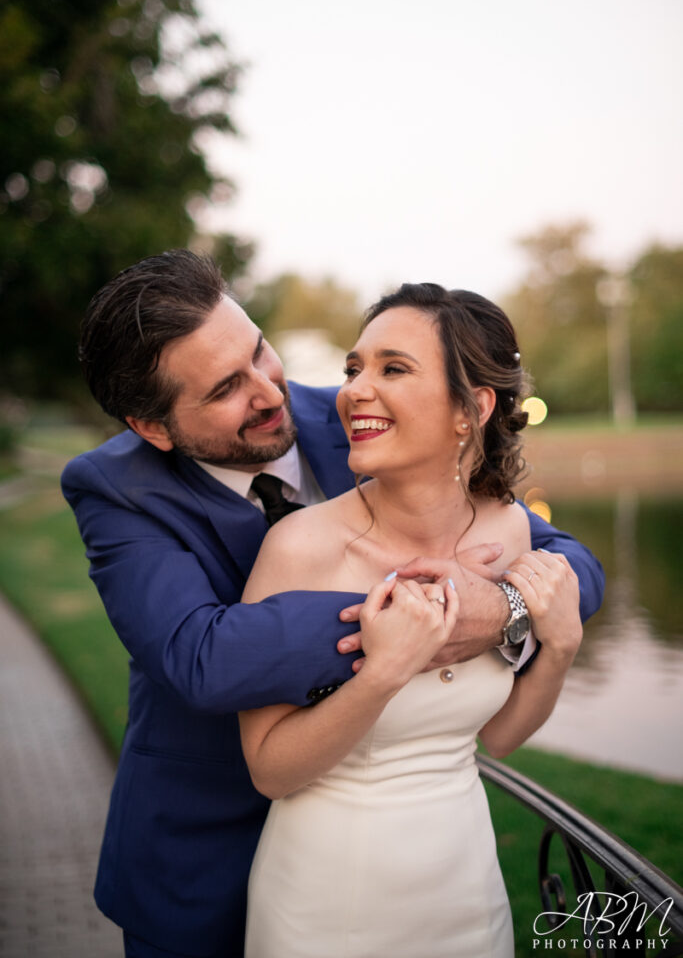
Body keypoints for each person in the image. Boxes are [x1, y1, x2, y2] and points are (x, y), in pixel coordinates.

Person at [61, 251, 604, 958]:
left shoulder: (358, 421)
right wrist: (417, 611)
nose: (268, 392)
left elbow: (570, 564)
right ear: (154, 427)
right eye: (227, 387)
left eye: (260, 352)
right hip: (206, 852)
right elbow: (198, 656)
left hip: (435, 870)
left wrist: (505, 605)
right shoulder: (116, 489)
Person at [238, 283, 586, 957]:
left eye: (391, 368)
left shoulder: (510, 528)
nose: (354, 390)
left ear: (471, 408)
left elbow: (499, 737)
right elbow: (269, 772)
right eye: (352, 369)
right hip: (330, 901)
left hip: (463, 885)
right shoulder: (299, 548)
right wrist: (384, 673)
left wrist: (562, 643)